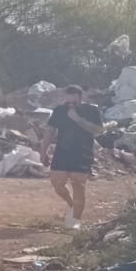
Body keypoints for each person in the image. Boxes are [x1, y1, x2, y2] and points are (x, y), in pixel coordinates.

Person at [42, 85, 103, 230]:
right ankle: (71, 204)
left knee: (78, 185)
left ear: (81, 98)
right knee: (57, 184)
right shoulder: (59, 110)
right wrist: (43, 151)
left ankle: (76, 220)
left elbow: (98, 131)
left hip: (82, 152)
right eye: (68, 102)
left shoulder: (92, 110)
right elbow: (49, 131)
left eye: (73, 102)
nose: (70, 105)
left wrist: (78, 119)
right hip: (62, 152)